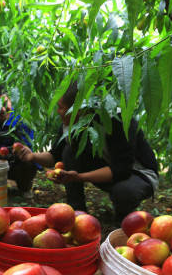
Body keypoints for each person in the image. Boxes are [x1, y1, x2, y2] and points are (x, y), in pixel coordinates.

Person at [15, 81, 159, 222]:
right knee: (69, 151)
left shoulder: (117, 120)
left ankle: (124, 219)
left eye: (61, 107)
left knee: (124, 192)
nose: (58, 112)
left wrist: (79, 177)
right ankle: (78, 211)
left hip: (139, 174)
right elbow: (55, 155)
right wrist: (32, 156)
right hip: (108, 170)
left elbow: (122, 169)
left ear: (80, 109)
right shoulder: (71, 124)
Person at [0, 84, 38, 197]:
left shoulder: (21, 118)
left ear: (10, 101)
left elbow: (27, 146)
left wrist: (12, 150)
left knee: (29, 160)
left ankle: (24, 186)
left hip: (15, 163)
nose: (2, 109)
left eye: (5, 104)